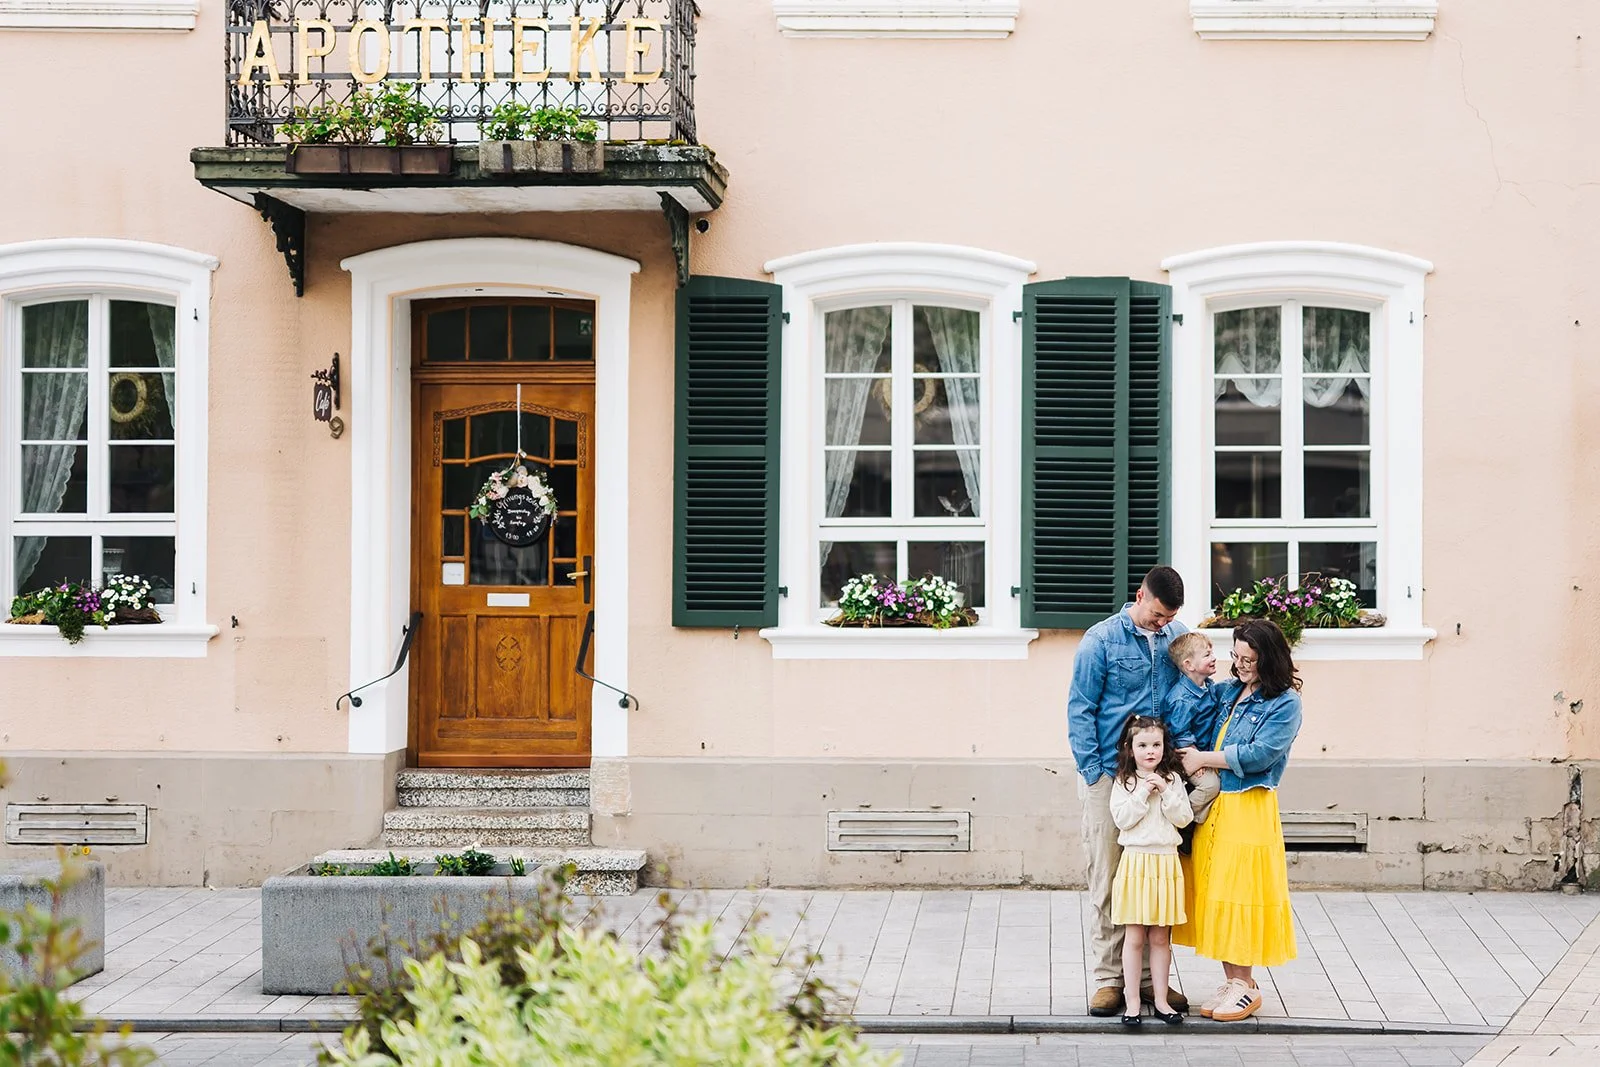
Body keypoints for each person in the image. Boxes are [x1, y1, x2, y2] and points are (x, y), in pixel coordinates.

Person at [1067, 565, 1190, 1017]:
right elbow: (1080, 708)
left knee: (1152, 878)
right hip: (1111, 774)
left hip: (1162, 772)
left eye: (1169, 617)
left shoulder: (1178, 635)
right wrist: (1096, 773)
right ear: (1140, 596)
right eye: (1157, 614)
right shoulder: (1100, 640)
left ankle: (1149, 982)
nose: (1163, 624)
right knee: (1108, 877)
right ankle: (1107, 981)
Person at [1173, 618, 1303, 1023]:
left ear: (1270, 659)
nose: (1240, 665)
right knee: (1219, 894)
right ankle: (1233, 981)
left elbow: (1259, 754)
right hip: (1218, 810)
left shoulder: (1285, 703)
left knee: (1241, 892)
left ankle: (1246, 984)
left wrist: (1202, 759)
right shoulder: (1228, 691)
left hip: (1249, 806)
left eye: (1249, 660)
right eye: (1236, 656)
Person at [1108, 716, 1192, 1027]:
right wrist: (1143, 793)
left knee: (1160, 938)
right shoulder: (1124, 782)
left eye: (1156, 744)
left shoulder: (1172, 780)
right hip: (1137, 863)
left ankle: (1159, 999)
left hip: (1165, 863)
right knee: (1134, 936)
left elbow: (1183, 818)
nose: (1150, 751)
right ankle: (1131, 1001)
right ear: (1130, 749)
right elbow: (1122, 820)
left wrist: (1166, 792)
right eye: (1142, 745)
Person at [1163, 631, 1222, 825]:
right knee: (1211, 786)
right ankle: (1180, 820)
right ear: (1188, 665)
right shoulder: (1181, 698)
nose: (1213, 658)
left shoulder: (1208, 686)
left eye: (1211, 653)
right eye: (1206, 655)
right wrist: (1197, 759)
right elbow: (1179, 733)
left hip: (1204, 753)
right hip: (1187, 755)